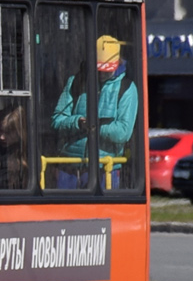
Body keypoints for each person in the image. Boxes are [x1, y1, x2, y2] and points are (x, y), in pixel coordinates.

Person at [52, 34, 139, 187]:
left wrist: (94, 127)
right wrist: (77, 122)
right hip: (69, 166)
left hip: (105, 168)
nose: (102, 75)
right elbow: (56, 120)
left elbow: (123, 132)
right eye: (98, 70)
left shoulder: (127, 88)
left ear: (118, 63)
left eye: (107, 71)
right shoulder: (76, 82)